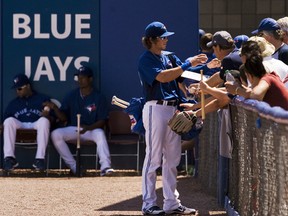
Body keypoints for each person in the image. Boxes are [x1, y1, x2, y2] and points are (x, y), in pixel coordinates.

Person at [138, 21, 207, 215]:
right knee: (153, 158)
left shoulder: (167, 57)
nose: (166, 39)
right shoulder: (146, 59)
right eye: (163, 37)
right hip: (155, 108)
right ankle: (149, 204)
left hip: (171, 109)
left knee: (172, 159)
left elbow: (180, 77)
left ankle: (171, 203)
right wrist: (188, 63)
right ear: (151, 40)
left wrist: (206, 66)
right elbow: (162, 77)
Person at [50, 66, 114, 176]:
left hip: (91, 130)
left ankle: (105, 167)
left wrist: (89, 128)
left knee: (100, 134)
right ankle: (75, 167)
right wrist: (55, 108)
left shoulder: (99, 97)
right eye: (78, 78)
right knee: (56, 134)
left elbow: (102, 120)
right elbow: (64, 118)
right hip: (74, 129)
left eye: (83, 78)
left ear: (90, 79)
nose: (80, 80)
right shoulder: (72, 95)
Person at [2, 74, 53, 171]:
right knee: (8, 121)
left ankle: (40, 159)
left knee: (44, 121)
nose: (17, 91)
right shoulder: (13, 103)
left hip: (36, 124)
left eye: (20, 88)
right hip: (21, 125)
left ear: (28, 86)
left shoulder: (42, 99)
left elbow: (53, 119)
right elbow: (6, 121)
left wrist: (47, 115)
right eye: (16, 89)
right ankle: (9, 158)